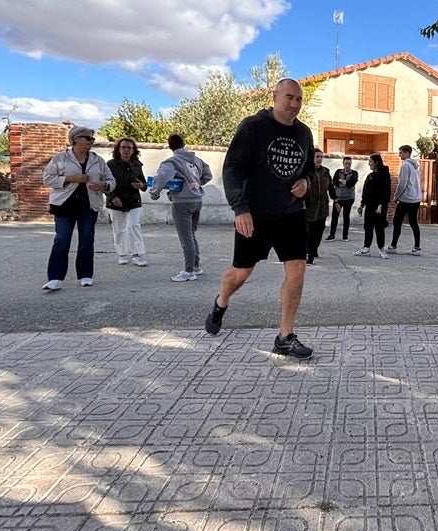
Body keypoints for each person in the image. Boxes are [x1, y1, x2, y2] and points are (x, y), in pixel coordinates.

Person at [204, 79, 316, 359]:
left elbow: (309, 171)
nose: (294, 105)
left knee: (297, 270)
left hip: (291, 214)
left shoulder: (304, 133)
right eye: (289, 97)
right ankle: (221, 302)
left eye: (299, 100)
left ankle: (285, 336)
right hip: (255, 215)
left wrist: (305, 182)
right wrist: (239, 208)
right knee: (241, 274)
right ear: (275, 96)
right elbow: (232, 169)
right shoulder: (253, 127)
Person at [41, 125, 115, 291]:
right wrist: (70, 178)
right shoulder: (60, 158)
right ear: (76, 139)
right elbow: (47, 179)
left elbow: (111, 180)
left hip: (88, 205)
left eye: (92, 139)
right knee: (61, 240)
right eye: (88, 138)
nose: (91, 142)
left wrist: (104, 184)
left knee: (87, 241)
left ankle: (86, 275)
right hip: (64, 204)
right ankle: (55, 278)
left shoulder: (97, 160)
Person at [149, 134, 212, 282]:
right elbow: (208, 175)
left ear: (170, 146)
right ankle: (196, 266)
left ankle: (189, 271)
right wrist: (195, 184)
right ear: (183, 144)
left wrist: (154, 193)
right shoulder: (196, 159)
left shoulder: (172, 161)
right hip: (197, 200)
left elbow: (162, 177)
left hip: (181, 202)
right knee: (191, 234)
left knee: (186, 237)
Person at [105, 137, 148, 267]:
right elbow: (105, 184)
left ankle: (137, 254)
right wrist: (113, 197)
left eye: (129, 147)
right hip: (116, 201)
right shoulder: (110, 165)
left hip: (133, 200)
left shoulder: (137, 164)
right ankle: (122, 253)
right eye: (123, 147)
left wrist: (141, 186)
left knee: (133, 225)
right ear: (118, 149)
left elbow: (144, 184)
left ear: (133, 150)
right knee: (119, 228)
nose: (126, 150)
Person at [355, 153, 391, 259]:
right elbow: (366, 192)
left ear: (376, 162)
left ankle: (381, 249)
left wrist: (381, 205)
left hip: (379, 207)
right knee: (368, 227)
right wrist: (362, 204)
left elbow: (386, 192)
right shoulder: (370, 176)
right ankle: (366, 248)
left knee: (379, 228)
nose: (369, 164)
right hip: (369, 206)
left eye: (370, 161)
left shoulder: (384, 175)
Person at [388, 144, 422, 255]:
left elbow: (402, 183)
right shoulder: (415, 166)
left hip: (406, 198)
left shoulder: (405, 166)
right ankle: (417, 247)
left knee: (397, 221)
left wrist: (396, 196)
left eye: (401, 153)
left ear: (407, 153)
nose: (399, 155)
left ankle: (393, 245)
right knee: (413, 222)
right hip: (415, 198)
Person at [305, 148, 334, 264]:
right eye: (317, 157)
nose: (320, 159)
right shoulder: (307, 171)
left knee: (320, 230)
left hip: (322, 206)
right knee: (310, 231)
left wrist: (335, 199)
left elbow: (330, 186)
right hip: (309, 206)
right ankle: (309, 254)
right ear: (312, 158)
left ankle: (314, 248)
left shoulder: (325, 171)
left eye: (321, 157)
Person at [327, 156, 358, 241]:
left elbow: (352, 183)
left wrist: (343, 181)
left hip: (349, 198)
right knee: (335, 216)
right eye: (346, 163)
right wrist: (346, 183)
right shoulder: (338, 171)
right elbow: (334, 182)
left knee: (346, 216)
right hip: (338, 198)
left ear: (351, 164)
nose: (347, 165)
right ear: (343, 163)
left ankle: (345, 236)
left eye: (349, 163)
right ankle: (332, 235)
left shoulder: (354, 173)